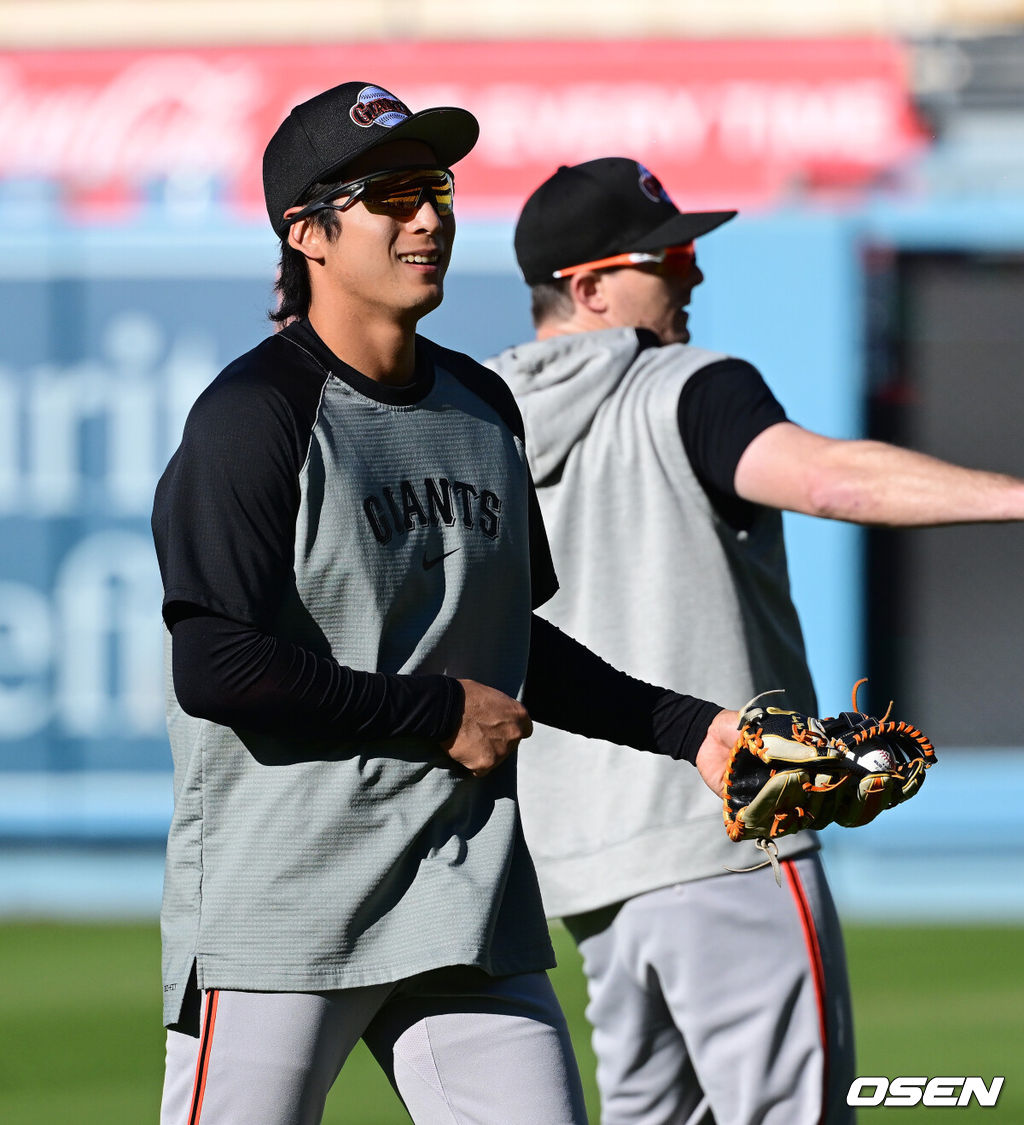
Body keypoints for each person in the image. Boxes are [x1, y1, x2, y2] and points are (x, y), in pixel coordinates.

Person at [151, 89, 742, 1125]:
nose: (426, 218)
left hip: (459, 886)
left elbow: (508, 647)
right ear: (307, 232)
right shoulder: (255, 414)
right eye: (387, 194)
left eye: (436, 189)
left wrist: (695, 731)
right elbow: (217, 667)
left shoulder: (481, 405)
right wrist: (436, 713)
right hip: (283, 898)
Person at [487, 156, 1024, 1125]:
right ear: (588, 286)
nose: (693, 274)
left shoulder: (483, 424)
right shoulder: (686, 386)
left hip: (585, 874)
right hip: (728, 835)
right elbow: (829, 482)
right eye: (670, 254)